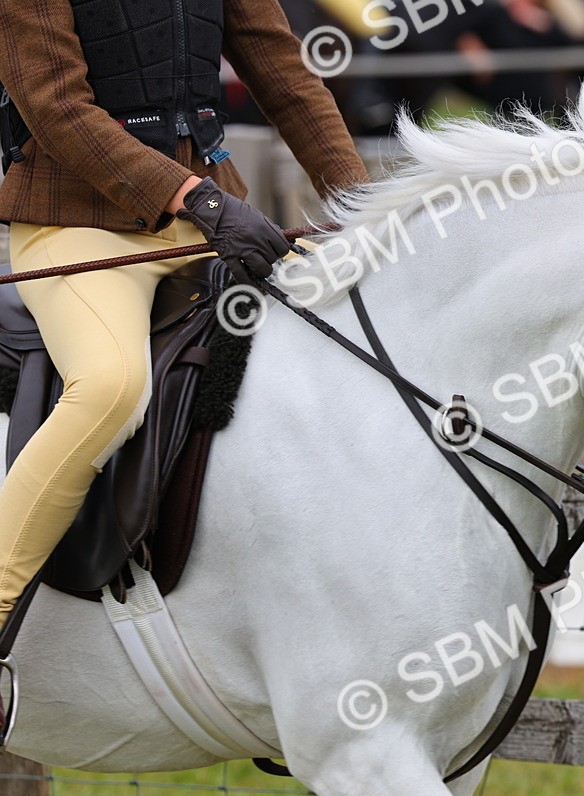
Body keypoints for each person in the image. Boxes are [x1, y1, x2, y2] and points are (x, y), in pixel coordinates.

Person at [0, 0, 369, 628]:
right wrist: (196, 198)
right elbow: (55, 105)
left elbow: (285, 75)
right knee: (110, 387)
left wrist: (365, 210)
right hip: (80, 224)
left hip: (209, 222)